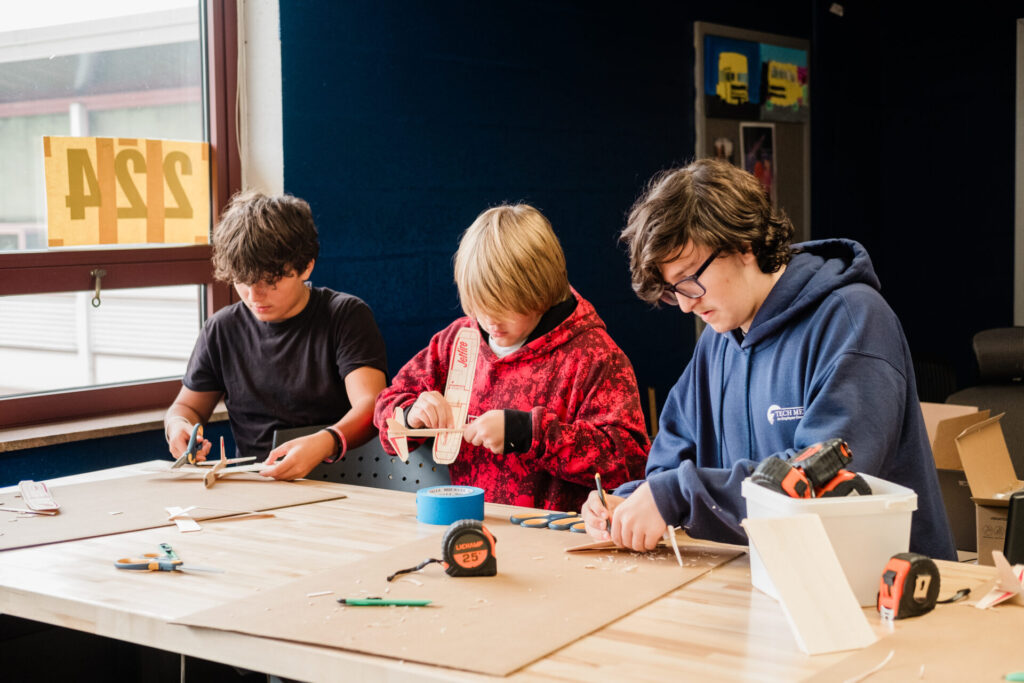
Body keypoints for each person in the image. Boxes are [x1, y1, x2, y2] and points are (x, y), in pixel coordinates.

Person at [581, 159, 956, 560]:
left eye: (690, 280)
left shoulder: (853, 320)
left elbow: (821, 481)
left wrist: (677, 495)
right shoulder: (718, 340)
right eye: (675, 291)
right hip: (768, 576)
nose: (687, 306)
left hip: (881, 589)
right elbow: (672, 458)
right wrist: (631, 500)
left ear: (743, 244)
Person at [373, 204, 649, 511]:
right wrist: (412, 414)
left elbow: (629, 462)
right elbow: (387, 407)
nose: (490, 323)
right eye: (480, 306)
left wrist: (528, 434)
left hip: (555, 541)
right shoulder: (459, 341)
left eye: (505, 309)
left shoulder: (595, 356)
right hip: (470, 529)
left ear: (541, 292)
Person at [164, 190, 388, 480]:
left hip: (343, 482)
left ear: (306, 265)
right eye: (243, 282)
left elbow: (372, 406)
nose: (254, 296)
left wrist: (325, 442)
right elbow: (187, 407)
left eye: (271, 282)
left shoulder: (345, 316)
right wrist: (178, 425)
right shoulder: (222, 329)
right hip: (256, 486)